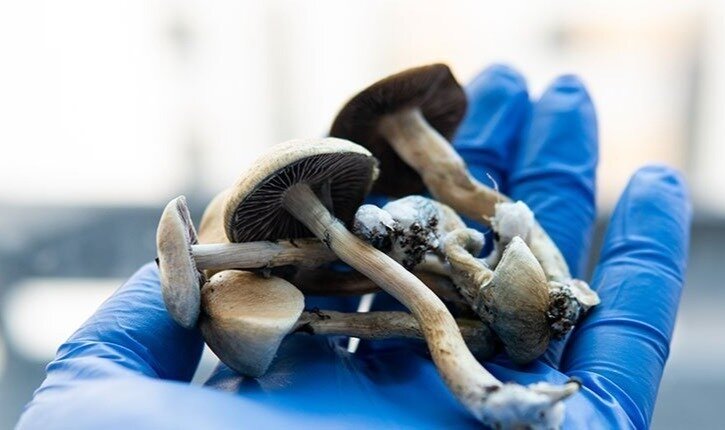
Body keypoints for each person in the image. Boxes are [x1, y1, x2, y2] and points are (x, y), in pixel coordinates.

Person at [17, 65, 691, 429]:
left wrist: (480, 257)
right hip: (357, 279)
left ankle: (506, 315)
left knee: (437, 272)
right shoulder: (305, 249)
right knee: (365, 266)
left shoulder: (394, 218)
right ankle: (488, 388)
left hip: (446, 269)